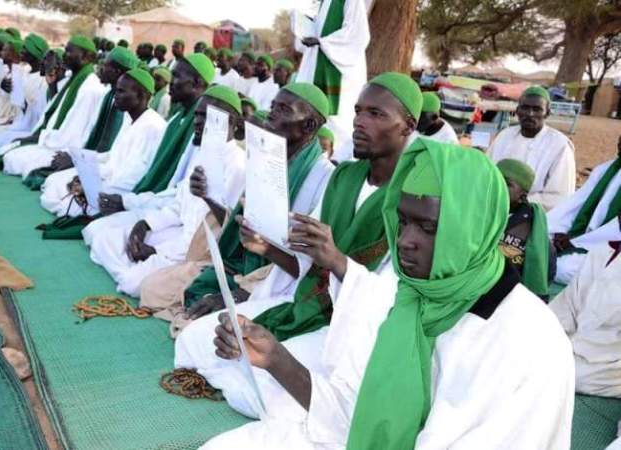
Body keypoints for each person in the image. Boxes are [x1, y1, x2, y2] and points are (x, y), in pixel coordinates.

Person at [201, 135, 575, 450]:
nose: (406, 241)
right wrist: (276, 359)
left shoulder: (525, 339)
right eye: (404, 221)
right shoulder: (408, 299)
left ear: (473, 229)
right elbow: (356, 418)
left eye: (428, 228)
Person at [175, 72, 423, 418]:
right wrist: (267, 248)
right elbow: (305, 263)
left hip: (350, 326)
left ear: (407, 126)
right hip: (303, 302)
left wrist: (337, 260)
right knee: (195, 340)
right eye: (358, 112)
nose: (360, 123)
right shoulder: (344, 178)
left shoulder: (412, 197)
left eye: (376, 114)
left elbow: (389, 295)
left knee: (254, 386)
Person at [138, 82, 335, 335]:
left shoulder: (322, 178)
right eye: (273, 106)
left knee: (196, 331)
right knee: (151, 289)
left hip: (276, 281)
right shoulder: (266, 162)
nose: (272, 113)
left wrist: (242, 291)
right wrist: (208, 196)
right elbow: (238, 227)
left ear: (308, 126)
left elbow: (305, 264)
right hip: (240, 267)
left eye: (284, 109)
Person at [89, 86, 246, 296]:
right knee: (102, 241)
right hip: (176, 234)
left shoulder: (237, 164)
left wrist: (157, 251)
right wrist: (145, 225)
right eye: (197, 115)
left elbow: (225, 232)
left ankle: (144, 276)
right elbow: (178, 207)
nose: (197, 122)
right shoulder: (203, 154)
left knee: (131, 283)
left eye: (206, 116)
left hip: (198, 249)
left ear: (231, 123)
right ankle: (145, 273)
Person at [82, 53, 216, 247]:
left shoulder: (201, 130)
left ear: (196, 82)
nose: (171, 82)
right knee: (95, 231)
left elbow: (179, 192)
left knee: (101, 236)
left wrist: (128, 202)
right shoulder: (176, 120)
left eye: (177, 77)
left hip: (170, 212)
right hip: (153, 201)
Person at [40, 68, 167, 218]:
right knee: (55, 182)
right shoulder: (130, 118)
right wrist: (83, 170)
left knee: (67, 203)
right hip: (109, 178)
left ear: (141, 95)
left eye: (121, 92)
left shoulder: (152, 126)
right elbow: (112, 157)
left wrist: (91, 187)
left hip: (123, 191)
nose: (115, 97)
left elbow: (135, 177)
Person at [21, 45, 138, 188]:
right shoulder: (108, 96)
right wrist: (75, 156)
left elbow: (109, 152)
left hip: (104, 168)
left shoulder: (120, 105)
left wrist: (76, 159)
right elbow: (88, 134)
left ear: (116, 71)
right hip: (87, 156)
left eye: (105, 65)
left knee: (54, 186)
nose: (100, 68)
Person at [0, 36, 107, 178]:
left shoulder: (90, 88)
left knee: (14, 159)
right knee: (9, 153)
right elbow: (53, 116)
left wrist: (44, 139)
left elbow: (76, 132)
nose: (65, 55)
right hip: (54, 139)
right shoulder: (74, 80)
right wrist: (52, 85)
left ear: (85, 56)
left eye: (69, 52)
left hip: (64, 147)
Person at [295, 0, 369, 163]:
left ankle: (337, 162)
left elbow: (358, 33)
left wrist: (323, 42)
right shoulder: (322, 3)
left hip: (339, 69)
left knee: (337, 124)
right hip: (318, 63)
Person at [550, 236, 621, 400]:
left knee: (567, 373)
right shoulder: (601, 252)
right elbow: (567, 304)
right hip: (574, 345)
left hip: (607, 362)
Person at [488, 86, 576, 211]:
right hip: (493, 205)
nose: (530, 114)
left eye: (537, 109)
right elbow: (488, 172)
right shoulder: (504, 135)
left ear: (547, 113)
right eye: (525, 108)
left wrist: (519, 202)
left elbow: (560, 196)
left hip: (531, 213)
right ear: (517, 111)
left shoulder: (559, 146)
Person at [548, 135, 621, 284]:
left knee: (562, 269)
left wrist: (576, 242)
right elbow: (575, 204)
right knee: (538, 236)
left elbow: (614, 233)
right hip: (584, 237)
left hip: (608, 248)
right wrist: (559, 231)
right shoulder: (605, 169)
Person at [496, 159, 555, 300]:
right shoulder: (478, 212)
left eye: (507, 184)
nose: (499, 186)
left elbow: (546, 269)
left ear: (522, 196)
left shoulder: (532, 228)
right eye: (496, 179)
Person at [0, 34, 52, 153]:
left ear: (34, 52)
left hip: (30, 127)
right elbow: (17, 104)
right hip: (19, 120)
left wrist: (22, 102)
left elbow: (37, 114)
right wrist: (9, 91)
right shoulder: (25, 72)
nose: (22, 51)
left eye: (25, 48)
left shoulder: (44, 80)